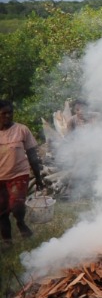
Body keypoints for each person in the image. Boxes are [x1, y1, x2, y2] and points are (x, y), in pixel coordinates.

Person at [0, 100, 46, 242]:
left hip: (19, 175)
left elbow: (32, 155)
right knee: (2, 210)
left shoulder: (22, 130)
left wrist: (38, 178)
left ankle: (20, 222)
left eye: (10, 113)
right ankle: (7, 240)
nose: (8, 116)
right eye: (4, 113)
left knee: (17, 206)